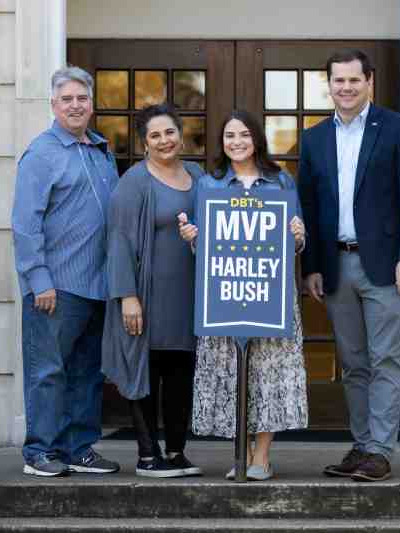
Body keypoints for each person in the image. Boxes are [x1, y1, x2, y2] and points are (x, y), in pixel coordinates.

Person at [298, 49, 400, 482]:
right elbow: (311, 205)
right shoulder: (314, 138)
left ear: (369, 81)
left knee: (387, 359)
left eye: (355, 80)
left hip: (389, 266)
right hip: (336, 264)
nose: (347, 88)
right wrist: (313, 266)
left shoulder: (396, 128)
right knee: (353, 362)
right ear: (329, 84)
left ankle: (379, 449)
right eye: (339, 81)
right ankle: (360, 446)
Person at [179, 110, 308, 481]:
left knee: (268, 376)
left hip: (271, 295)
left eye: (244, 135)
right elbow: (205, 243)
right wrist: (193, 238)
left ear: (257, 139)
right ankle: (243, 453)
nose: (237, 142)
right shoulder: (210, 184)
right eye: (229, 135)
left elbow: (296, 241)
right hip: (225, 295)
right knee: (230, 374)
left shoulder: (281, 182)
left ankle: (261, 457)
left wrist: (298, 236)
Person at [12, 66, 121, 477]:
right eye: (67, 99)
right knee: (48, 371)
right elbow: (25, 223)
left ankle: (79, 448)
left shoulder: (100, 150)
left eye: (82, 98)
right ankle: (40, 451)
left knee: (87, 373)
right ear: (53, 105)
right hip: (54, 286)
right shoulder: (41, 153)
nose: (76, 105)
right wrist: (38, 277)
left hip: (97, 284)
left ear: (91, 104)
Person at [102, 103, 204, 478]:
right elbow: (119, 241)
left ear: (180, 134)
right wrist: (127, 296)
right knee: (145, 370)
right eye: (155, 135)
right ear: (145, 144)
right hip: (146, 296)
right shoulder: (134, 181)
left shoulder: (197, 175)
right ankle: (148, 455)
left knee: (180, 373)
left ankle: (176, 452)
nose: (164, 140)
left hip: (189, 297)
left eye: (169, 132)